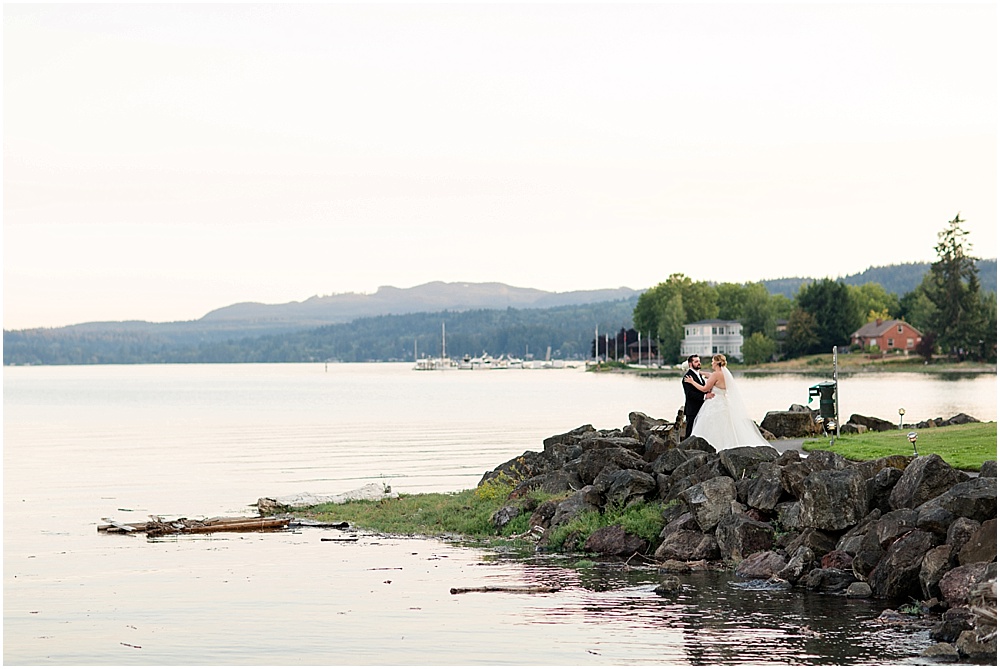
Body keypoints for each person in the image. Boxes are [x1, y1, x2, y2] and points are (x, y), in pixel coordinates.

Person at [683, 353, 770, 450]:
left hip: (714, 403)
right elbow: (710, 375)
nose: (711, 363)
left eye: (712, 361)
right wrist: (701, 373)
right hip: (723, 402)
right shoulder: (724, 374)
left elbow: (704, 389)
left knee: (712, 425)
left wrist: (692, 382)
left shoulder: (715, 375)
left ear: (716, 363)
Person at [681, 354, 713, 439]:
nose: (699, 363)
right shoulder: (687, 377)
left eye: (699, 361)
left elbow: (702, 388)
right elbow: (690, 394)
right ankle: (686, 450)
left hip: (701, 408)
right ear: (690, 364)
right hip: (692, 409)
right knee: (690, 433)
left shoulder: (698, 374)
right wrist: (705, 396)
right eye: (696, 361)